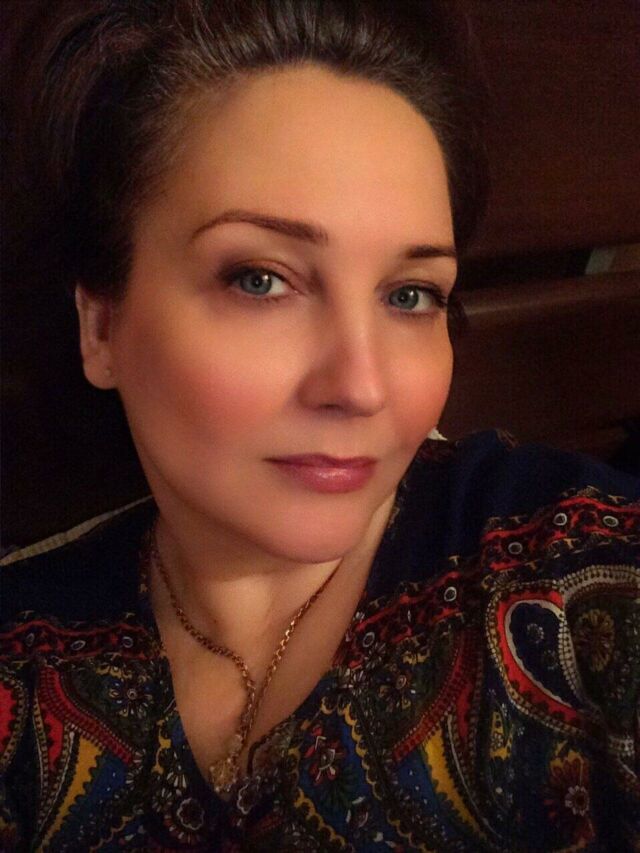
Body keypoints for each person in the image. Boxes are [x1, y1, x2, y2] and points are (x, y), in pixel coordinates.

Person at [1, 1, 638, 850]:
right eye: (261, 280)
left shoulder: (572, 577)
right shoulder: (24, 649)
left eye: (410, 294)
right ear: (102, 326)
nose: (362, 386)